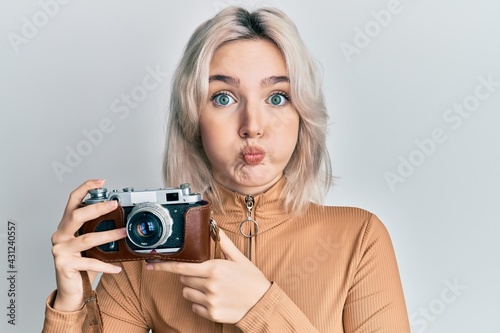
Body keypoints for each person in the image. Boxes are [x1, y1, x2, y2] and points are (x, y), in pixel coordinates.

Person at [43, 6, 411, 332]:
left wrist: (261, 309)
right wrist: (70, 304)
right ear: (192, 119)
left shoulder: (360, 238)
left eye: (277, 97)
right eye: (224, 97)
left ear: (303, 115)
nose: (253, 125)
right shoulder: (144, 251)